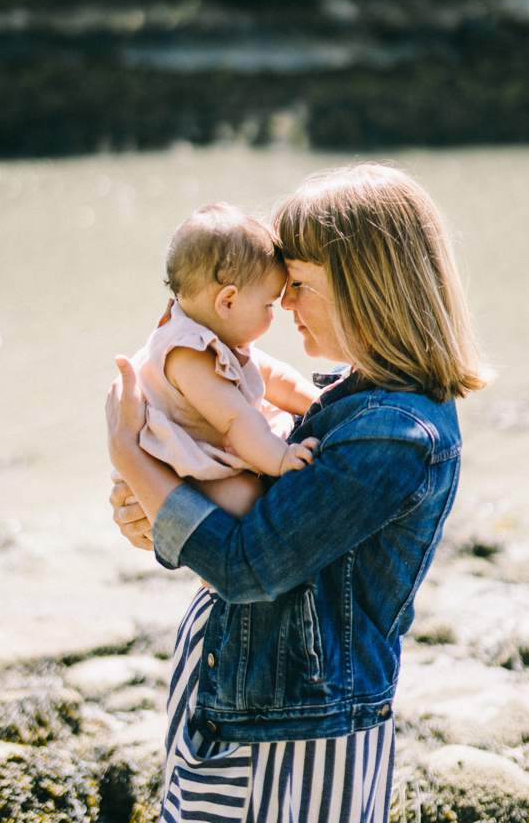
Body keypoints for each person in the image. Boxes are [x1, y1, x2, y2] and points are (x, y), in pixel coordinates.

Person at [106, 163, 491, 823]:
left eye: (301, 284)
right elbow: (254, 523)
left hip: (303, 730)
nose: (283, 304)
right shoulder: (345, 399)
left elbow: (248, 564)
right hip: (246, 690)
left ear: (366, 288)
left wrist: (130, 456)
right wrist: (157, 510)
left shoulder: (392, 435)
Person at [129, 202, 319, 519]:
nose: (278, 311)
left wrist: (319, 401)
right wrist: (282, 458)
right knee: (246, 497)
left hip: (213, 443)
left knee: (265, 450)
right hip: (179, 463)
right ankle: (213, 561)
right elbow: (234, 419)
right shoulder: (187, 353)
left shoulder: (214, 334)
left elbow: (274, 377)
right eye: (269, 304)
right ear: (227, 301)